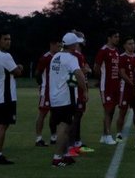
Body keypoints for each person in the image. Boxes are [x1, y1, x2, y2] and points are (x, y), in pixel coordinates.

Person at [49, 32, 88, 167]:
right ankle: (57, 158)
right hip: (65, 97)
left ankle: (65, 155)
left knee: (65, 125)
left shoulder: (55, 57)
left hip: (55, 96)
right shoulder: (71, 58)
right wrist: (85, 91)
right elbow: (79, 75)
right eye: (76, 43)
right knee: (64, 127)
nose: (78, 45)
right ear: (72, 45)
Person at [0, 32, 23, 165]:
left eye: (9, 39)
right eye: (5, 39)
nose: (8, 42)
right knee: (2, 125)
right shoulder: (5, 55)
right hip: (6, 97)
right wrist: (20, 67)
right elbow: (17, 72)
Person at [94, 29, 120, 145]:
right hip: (106, 86)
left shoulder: (116, 51)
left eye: (118, 37)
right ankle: (109, 135)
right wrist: (101, 79)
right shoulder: (103, 51)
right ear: (109, 38)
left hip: (115, 85)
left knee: (112, 110)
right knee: (108, 110)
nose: (117, 39)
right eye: (115, 36)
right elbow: (96, 67)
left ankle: (104, 135)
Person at [69, 30, 93, 154]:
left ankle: (77, 142)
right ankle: (71, 146)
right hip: (76, 90)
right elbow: (76, 73)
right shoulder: (76, 55)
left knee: (78, 117)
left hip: (77, 89)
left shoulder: (78, 55)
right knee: (75, 117)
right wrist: (86, 70)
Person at [34, 37, 61, 147]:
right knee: (43, 113)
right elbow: (38, 73)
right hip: (47, 91)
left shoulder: (59, 57)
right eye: (58, 46)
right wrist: (42, 85)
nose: (60, 48)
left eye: (61, 46)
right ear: (52, 44)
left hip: (56, 91)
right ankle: (38, 138)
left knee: (55, 114)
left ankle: (53, 136)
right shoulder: (46, 57)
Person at [116, 37, 135, 142]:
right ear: (124, 45)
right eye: (129, 44)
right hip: (125, 88)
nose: (132, 45)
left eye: (133, 43)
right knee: (122, 112)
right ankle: (119, 133)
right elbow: (122, 73)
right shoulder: (122, 57)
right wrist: (132, 83)